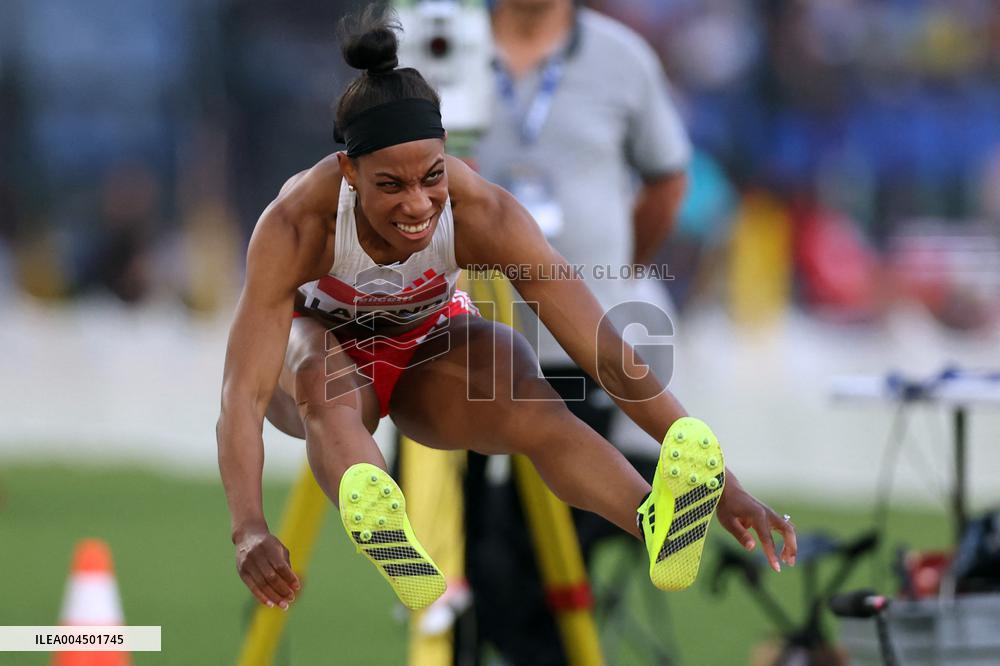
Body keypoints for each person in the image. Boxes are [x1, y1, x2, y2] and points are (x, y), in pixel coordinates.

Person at [215, 4, 797, 616]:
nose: (418, 206)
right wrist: (248, 527)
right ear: (349, 172)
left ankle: (654, 519)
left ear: (447, 158)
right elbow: (243, 395)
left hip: (424, 348)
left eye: (431, 178)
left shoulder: (482, 212)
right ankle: (380, 512)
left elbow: (600, 346)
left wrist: (722, 485)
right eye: (391, 185)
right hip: (326, 361)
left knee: (533, 397)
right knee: (319, 374)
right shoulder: (297, 225)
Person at [465, 0, 694, 659]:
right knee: (447, 542)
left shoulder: (622, 59)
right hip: (453, 339)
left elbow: (668, 179)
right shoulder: (441, 44)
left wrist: (608, 275)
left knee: (552, 551)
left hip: (571, 345)